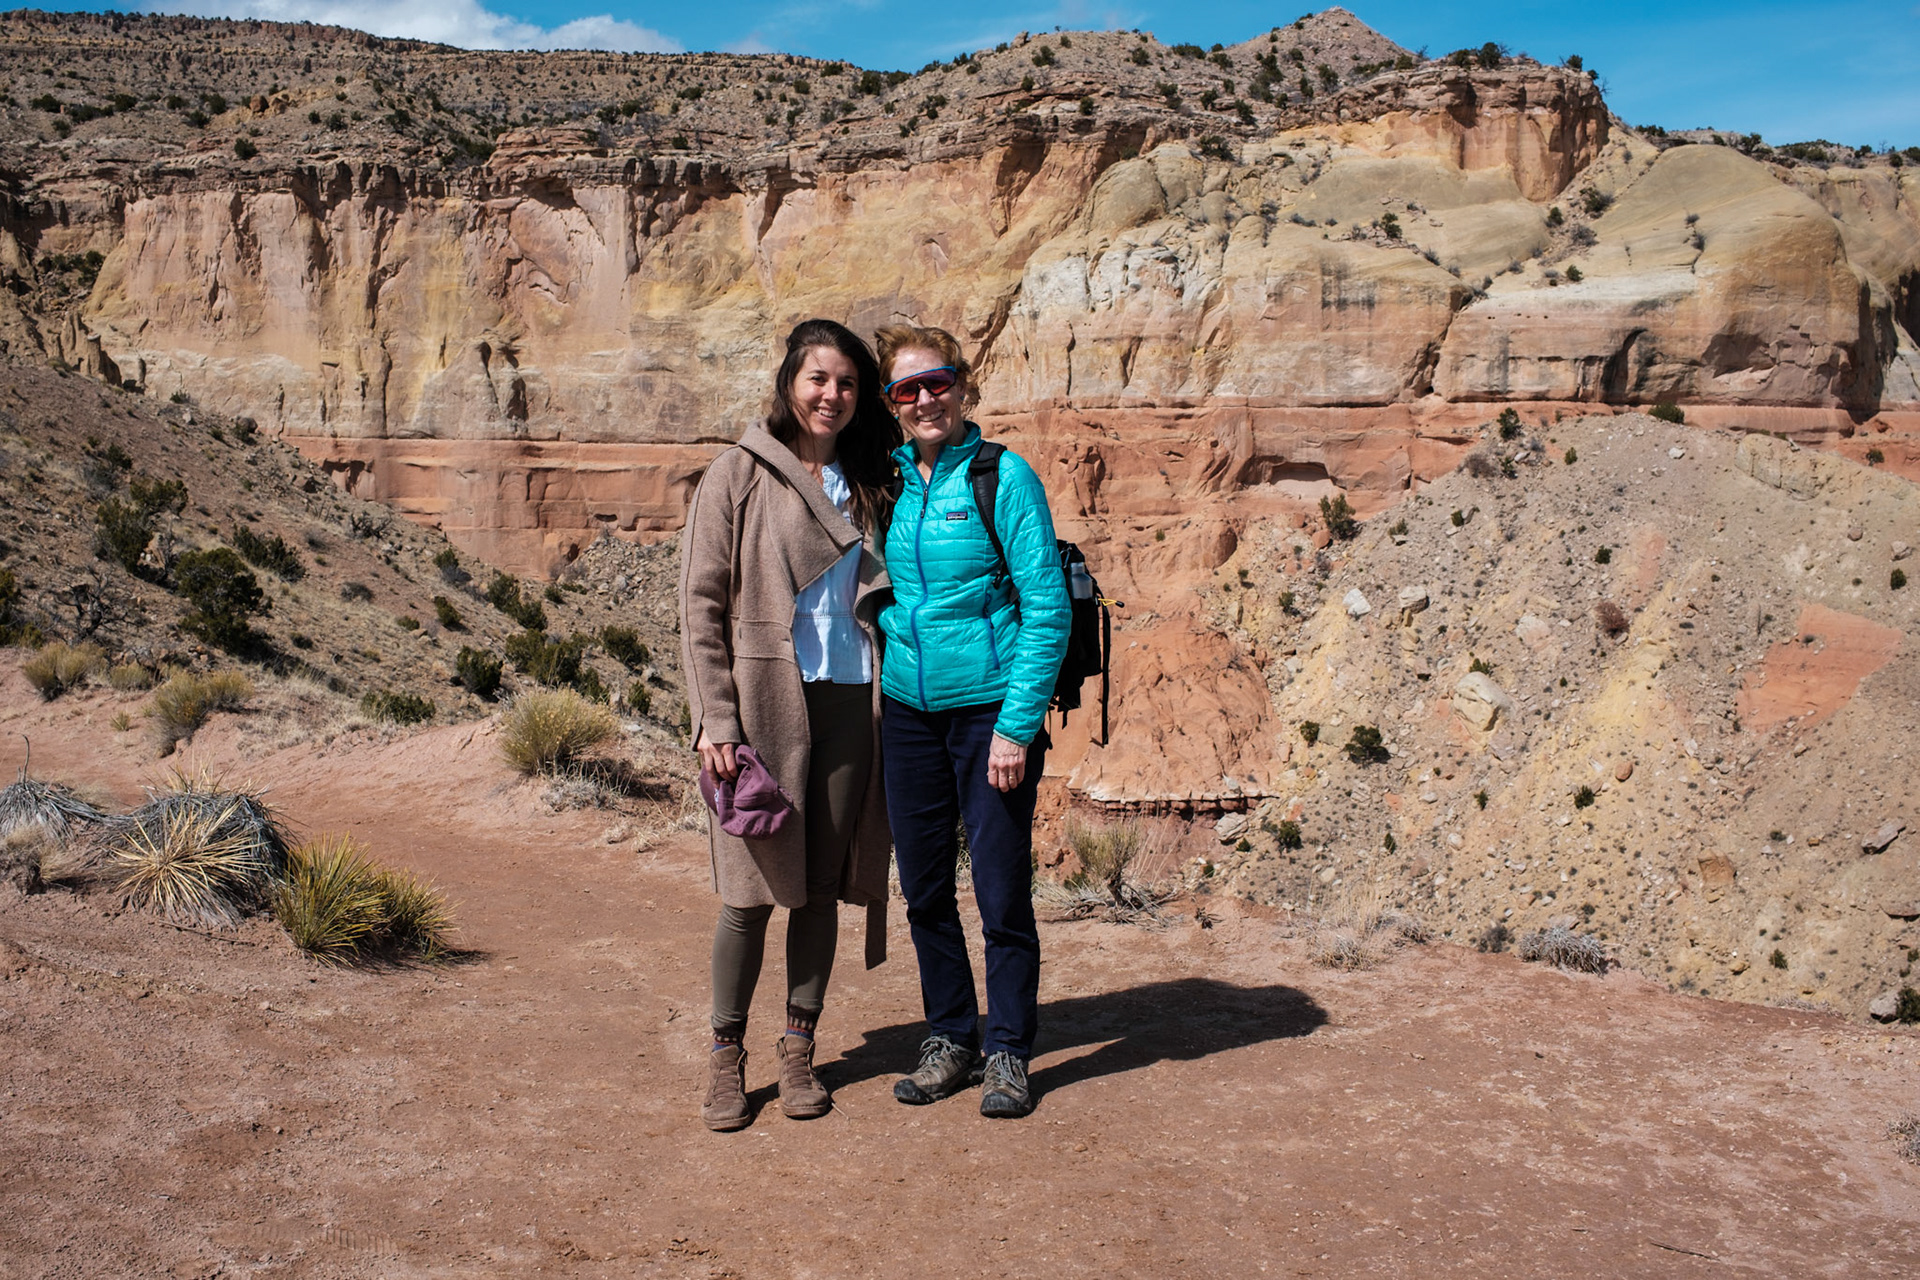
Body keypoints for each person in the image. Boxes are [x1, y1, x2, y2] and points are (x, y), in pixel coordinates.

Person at [678, 319, 900, 1131]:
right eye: (818, 379)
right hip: (764, 705)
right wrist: (716, 718)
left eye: (847, 383)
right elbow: (700, 604)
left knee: (818, 891)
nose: (831, 395)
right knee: (748, 895)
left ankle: (799, 1050)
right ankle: (724, 1057)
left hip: (852, 701)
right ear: (788, 383)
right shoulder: (738, 473)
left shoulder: (874, 484)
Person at [874, 324, 1070, 1119]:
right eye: (907, 389)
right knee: (924, 890)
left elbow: (1047, 607)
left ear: (962, 386)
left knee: (999, 893)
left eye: (938, 381)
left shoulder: (1002, 476)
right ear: (891, 403)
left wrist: (1016, 727)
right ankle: (950, 1037)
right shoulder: (888, 485)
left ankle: (1009, 1050)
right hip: (907, 713)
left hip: (988, 708)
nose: (925, 399)